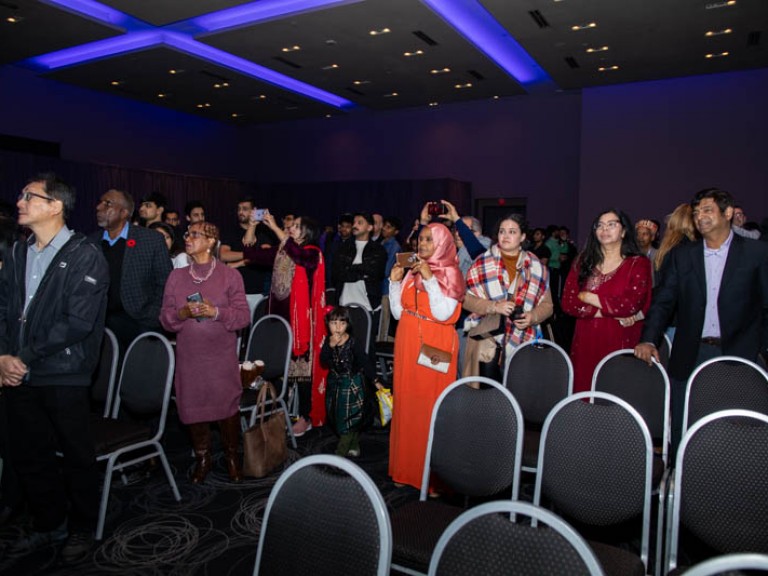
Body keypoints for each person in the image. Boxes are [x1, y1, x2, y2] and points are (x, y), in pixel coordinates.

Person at [0, 174, 109, 562]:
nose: (20, 201)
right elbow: (5, 310)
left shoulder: (85, 254)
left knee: (76, 455)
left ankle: (82, 528)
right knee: (30, 454)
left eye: (29, 196)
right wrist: (3, 356)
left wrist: (23, 356)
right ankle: (49, 524)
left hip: (64, 372)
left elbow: (77, 322)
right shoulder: (16, 251)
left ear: (54, 206)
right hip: (18, 371)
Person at [635, 188, 768, 452]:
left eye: (708, 210)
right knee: (684, 424)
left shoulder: (757, 253)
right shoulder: (683, 255)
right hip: (691, 353)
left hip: (740, 353)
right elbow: (663, 301)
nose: (700, 217)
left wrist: (761, 348)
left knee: (734, 424)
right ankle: (678, 481)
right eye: (696, 213)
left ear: (728, 213)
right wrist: (649, 339)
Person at [160, 222, 250, 483]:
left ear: (211, 241)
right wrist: (182, 314)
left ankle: (232, 456)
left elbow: (243, 317)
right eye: (187, 234)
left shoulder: (230, 276)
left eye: (194, 234)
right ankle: (203, 457)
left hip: (220, 358)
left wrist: (216, 312)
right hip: (190, 358)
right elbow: (165, 318)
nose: (187, 238)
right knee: (193, 406)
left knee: (227, 405)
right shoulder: (176, 277)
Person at [388, 222, 465, 489]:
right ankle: (404, 470)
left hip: (435, 344)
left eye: (429, 240)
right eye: (421, 239)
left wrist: (430, 279)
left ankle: (431, 479)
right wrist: (394, 283)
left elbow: (444, 314)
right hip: (408, 342)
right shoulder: (412, 271)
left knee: (430, 410)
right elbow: (398, 313)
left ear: (443, 243)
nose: (422, 245)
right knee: (407, 407)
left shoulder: (452, 274)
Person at [242, 211, 328, 436]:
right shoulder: (283, 249)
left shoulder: (312, 253)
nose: (291, 227)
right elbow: (250, 253)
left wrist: (274, 228)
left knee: (302, 374)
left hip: (301, 323)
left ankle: (306, 417)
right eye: (291, 224)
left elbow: (299, 257)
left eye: (297, 226)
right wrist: (252, 226)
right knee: (279, 369)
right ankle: (279, 412)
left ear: (307, 232)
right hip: (279, 320)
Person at [562, 209, 652, 393]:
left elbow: (630, 304)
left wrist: (589, 297)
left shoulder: (638, 263)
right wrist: (605, 310)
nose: (605, 229)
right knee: (585, 391)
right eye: (600, 225)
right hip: (586, 338)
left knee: (617, 392)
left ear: (624, 231)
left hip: (620, 337)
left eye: (612, 224)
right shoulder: (583, 261)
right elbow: (568, 302)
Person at [463, 214, 553, 380]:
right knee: (489, 394)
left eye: (512, 231)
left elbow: (548, 305)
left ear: (523, 236)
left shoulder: (536, 267)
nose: (505, 236)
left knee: (519, 391)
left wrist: (532, 316)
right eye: (502, 231)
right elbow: (465, 299)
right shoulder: (482, 263)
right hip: (488, 340)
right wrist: (494, 306)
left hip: (525, 336)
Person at [91, 189, 172, 354]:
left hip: (139, 323)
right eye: (100, 203)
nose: (99, 207)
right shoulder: (91, 242)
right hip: (98, 325)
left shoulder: (151, 240)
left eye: (107, 204)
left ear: (124, 212)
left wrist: (152, 317)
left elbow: (166, 283)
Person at [320, 306, 376, 457]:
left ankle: (340, 454)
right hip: (335, 383)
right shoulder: (328, 341)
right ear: (328, 324)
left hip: (352, 383)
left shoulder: (353, 343)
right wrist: (330, 347)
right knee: (337, 417)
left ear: (347, 325)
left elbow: (365, 362)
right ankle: (354, 443)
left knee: (349, 418)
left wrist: (375, 380)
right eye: (333, 323)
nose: (337, 327)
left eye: (342, 323)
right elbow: (323, 362)